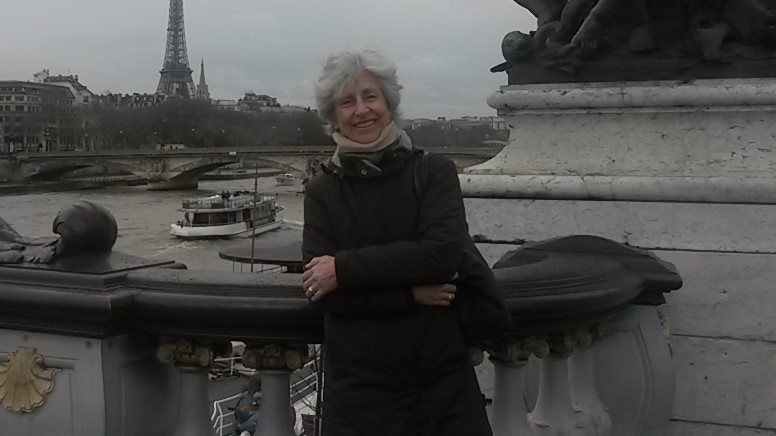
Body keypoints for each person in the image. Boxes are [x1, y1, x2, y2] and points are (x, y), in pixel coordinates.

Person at [301, 49, 492, 436]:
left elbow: (442, 256)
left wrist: (344, 269)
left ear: (388, 102)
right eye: (347, 102)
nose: (361, 110)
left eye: (370, 96)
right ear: (333, 115)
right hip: (359, 390)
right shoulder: (321, 189)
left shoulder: (434, 172)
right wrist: (410, 294)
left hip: (439, 381)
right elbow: (322, 293)